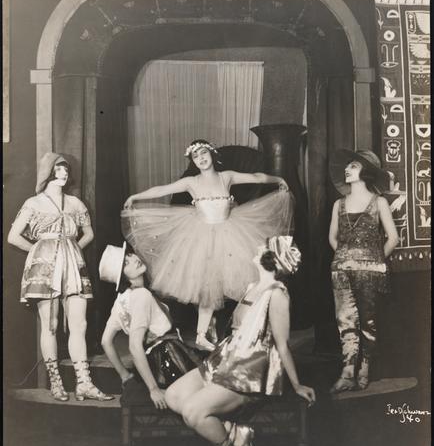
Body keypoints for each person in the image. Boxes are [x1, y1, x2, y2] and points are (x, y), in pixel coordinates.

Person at [164, 236, 316, 446]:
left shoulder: (278, 295)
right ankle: (235, 432)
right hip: (226, 358)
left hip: (250, 370)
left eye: (264, 247)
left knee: (192, 412)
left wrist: (296, 384)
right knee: (173, 396)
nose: (258, 247)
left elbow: (282, 344)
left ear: (271, 259)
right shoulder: (252, 286)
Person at [122, 139, 294, 352]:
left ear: (212, 154)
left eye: (203, 153)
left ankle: (245, 330)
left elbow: (256, 177)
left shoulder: (226, 177)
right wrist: (135, 196)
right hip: (201, 238)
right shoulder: (191, 182)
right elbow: (162, 190)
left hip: (230, 234)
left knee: (246, 282)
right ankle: (202, 335)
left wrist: (279, 179)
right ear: (193, 161)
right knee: (207, 288)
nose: (201, 158)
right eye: (196, 156)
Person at [7, 152, 113, 402]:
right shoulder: (34, 203)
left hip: (72, 265)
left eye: (65, 170)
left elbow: (88, 234)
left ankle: (84, 383)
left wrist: (72, 248)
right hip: (45, 268)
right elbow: (13, 237)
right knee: (51, 325)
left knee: (80, 324)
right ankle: (56, 382)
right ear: (47, 173)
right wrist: (38, 250)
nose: (63, 174)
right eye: (58, 170)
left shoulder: (75, 203)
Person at [328, 149, 399, 393]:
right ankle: (347, 372)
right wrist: (345, 256)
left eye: (354, 166)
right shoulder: (338, 204)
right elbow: (332, 237)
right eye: (347, 166)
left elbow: (393, 238)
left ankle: (364, 369)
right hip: (341, 270)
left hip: (371, 271)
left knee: (368, 320)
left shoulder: (379, 202)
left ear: (366, 172)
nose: (347, 170)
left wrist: (375, 259)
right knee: (345, 319)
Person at [99, 243, 201, 409]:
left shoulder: (120, 302)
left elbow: (105, 341)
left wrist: (124, 375)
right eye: (126, 263)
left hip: (153, 362)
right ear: (123, 277)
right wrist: (153, 389)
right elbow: (134, 345)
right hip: (169, 359)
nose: (134, 259)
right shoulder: (142, 295)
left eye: (130, 255)